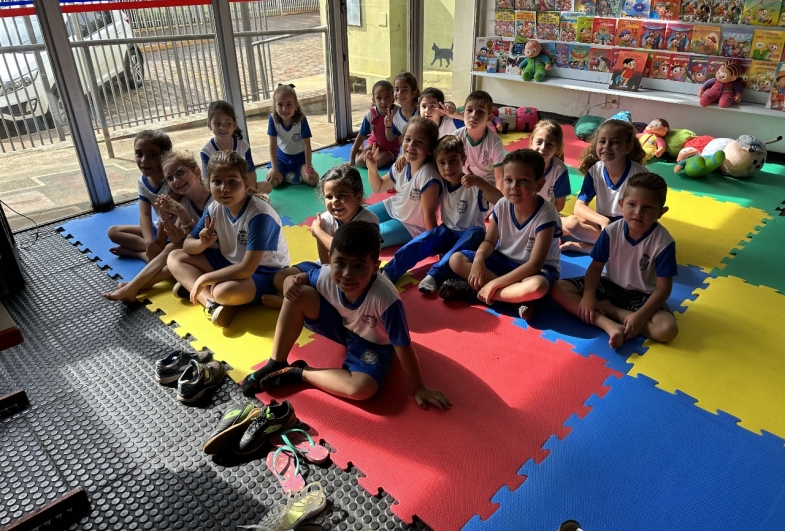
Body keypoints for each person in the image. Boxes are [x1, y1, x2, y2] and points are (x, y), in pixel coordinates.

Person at [240, 221, 451, 411]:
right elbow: (300, 278)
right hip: (341, 325)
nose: (348, 273)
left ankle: (298, 373)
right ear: (331, 260)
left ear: (375, 267)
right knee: (298, 293)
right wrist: (289, 282)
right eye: (340, 263)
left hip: (372, 343)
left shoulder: (386, 299)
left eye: (359, 266)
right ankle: (276, 362)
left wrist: (419, 387)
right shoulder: (326, 275)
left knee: (362, 389)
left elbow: (403, 345)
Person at [551, 172, 679, 350]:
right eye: (632, 205)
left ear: (661, 212)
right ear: (621, 205)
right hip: (609, 284)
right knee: (557, 288)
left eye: (648, 207)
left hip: (642, 295)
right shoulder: (611, 231)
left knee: (667, 330)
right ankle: (606, 323)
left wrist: (640, 316)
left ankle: (611, 311)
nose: (638, 213)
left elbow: (663, 288)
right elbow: (595, 269)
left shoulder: (663, 243)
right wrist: (588, 296)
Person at [167, 150, 290, 328]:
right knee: (174, 257)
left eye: (232, 182)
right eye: (217, 182)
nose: (224, 188)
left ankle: (200, 288)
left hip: (265, 273)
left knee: (224, 291)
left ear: (246, 184)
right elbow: (187, 246)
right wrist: (202, 243)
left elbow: (247, 269)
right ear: (208, 184)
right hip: (229, 263)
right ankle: (211, 303)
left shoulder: (259, 214)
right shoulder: (215, 207)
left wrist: (204, 279)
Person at [439, 149, 562, 321]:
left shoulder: (546, 213)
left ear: (539, 184)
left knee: (537, 287)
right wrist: (479, 259)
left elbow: (534, 265)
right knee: (456, 260)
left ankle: (475, 291)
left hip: (535, 270)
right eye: (508, 180)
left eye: (523, 181)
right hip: (503, 260)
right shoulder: (502, 205)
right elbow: (489, 241)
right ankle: (516, 300)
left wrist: (494, 283)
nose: (514, 187)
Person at [381, 135, 502, 294]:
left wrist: (479, 182)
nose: (448, 167)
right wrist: (404, 158)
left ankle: (435, 275)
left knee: (478, 231)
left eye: (453, 160)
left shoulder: (473, 184)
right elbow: (421, 161)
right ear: (436, 164)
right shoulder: (439, 181)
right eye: (442, 163)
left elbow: (502, 201)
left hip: (469, 237)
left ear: (463, 159)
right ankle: (390, 271)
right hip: (447, 232)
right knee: (425, 239)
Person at [261, 163, 379, 309]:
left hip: (353, 273)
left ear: (358, 196)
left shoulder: (369, 221)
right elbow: (325, 263)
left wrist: (318, 233)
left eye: (341, 196)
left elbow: (350, 253)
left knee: (352, 292)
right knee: (281, 278)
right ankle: (301, 302)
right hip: (328, 268)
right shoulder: (325, 219)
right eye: (329, 197)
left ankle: (290, 305)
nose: (334, 201)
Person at [104, 150, 213, 302]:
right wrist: (165, 216)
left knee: (172, 251)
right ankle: (134, 287)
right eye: (170, 178)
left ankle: (135, 286)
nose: (176, 180)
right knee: (172, 251)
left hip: (218, 254)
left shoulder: (214, 201)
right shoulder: (185, 201)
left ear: (196, 172)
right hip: (201, 253)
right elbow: (177, 239)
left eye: (180, 173)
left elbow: (205, 241)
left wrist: (182, 214)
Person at [561, 119, 647, 254]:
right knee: (570, 223)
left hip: (629, 226)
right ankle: (611, 249)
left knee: (637, 244)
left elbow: (643, 214)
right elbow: (579, 207)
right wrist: (602, 220)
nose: (607, 146)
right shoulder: (595, 171)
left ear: (628, 148)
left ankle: (593, 249)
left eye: (615, 142)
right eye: (602, 141)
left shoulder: (638, 175)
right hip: (603, 224)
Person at [365, 117, 442, 247]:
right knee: (353, 220)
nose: (411, 145)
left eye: (419, 142)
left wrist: (434, 245)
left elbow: (429, 214)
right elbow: (378, 187)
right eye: (407, 139)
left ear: (430, 148)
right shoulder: (402, 164)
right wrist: (372, 168)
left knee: (365, 238)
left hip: (411, 225)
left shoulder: (428, 175)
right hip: (393, 207)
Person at [107, 130, 173, 262]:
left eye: (152, 155)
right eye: (139, 154)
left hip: (174, 233)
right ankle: (153, 251)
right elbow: (145, 215)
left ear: (165, 156)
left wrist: (157, 243)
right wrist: (149, 242)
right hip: (158, 227)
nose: (144, 160)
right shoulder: (143, 181)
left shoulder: (173, 181)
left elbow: (168, 217)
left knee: (168, 259)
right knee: (113, 232)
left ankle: (138, 253)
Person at [200, 100, 272, 195]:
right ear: (209, 125)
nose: (223, 127)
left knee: (267, 186)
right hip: (221, 190)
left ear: (235, 125)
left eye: (228, 123)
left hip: (240, 187)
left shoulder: (243, 146)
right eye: (217, 123)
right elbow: (206, 180)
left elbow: (250, 172)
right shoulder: (206, 152)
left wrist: (249, 190)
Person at [265, 84, 318, 188]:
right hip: (281, 159)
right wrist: (275, 169)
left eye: (289, 104)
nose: (284, 109)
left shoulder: (301, 120)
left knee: (313, 181)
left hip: (300, 159)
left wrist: (308, 168)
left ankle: (296, 174)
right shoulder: (273, 119)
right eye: (280, 105)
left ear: (296, 105)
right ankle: (284, 174)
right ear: (275, 106)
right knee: (272, 182)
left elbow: (307, 145)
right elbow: (273, 146)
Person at [453, 90, 505, 190]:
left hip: (487, 181)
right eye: (469, 110)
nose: (473, 115)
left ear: (489, 118)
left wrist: (499, 202)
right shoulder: (456, 136)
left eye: (480, 111)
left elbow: (499, 178)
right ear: (463, 114)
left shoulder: (495, 142)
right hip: (463, 179)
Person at [349, 80, 400, 169]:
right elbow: (361, 135)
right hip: (374, 144)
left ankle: (374, 155)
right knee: (359, 162)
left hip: (390, 149)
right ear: (374, 100)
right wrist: (352, 158)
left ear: (393, 98)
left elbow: (403, 135)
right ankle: (360, 149)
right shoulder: (371, 114)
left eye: (387, 97)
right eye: (379, 98)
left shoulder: (398, 113)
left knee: (375, 164)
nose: (383, 102)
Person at [529, 119, 571, 212]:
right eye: (539, 142)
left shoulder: (560, 170)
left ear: (558, 148)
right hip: (519, 209)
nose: (543, 147)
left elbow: (559, 205)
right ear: (531, 143)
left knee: (572, 223)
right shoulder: (520, 164)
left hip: (544, 213)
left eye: (549, 144)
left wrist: (541, 217)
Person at [385, 72, 420, 144]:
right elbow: (391, 138)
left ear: (413, 93)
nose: (399, 93)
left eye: (405, 90)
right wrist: (388, 126)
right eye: (397, 90)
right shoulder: (396, 117)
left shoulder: (421, 110)